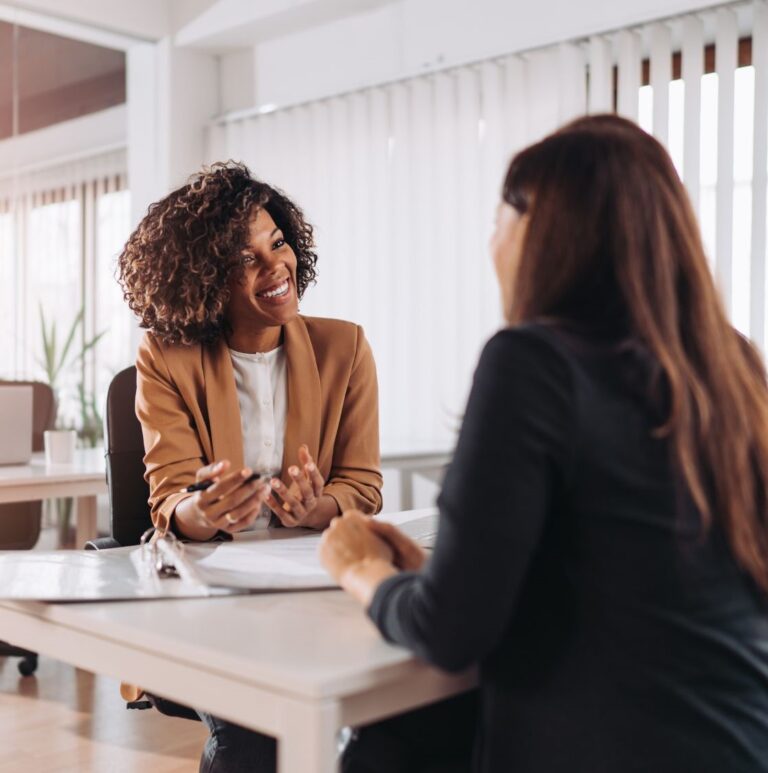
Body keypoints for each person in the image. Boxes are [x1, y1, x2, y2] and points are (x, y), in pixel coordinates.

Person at [320, 115, 768, 773]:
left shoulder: (533, 361)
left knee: (385, 747)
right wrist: (443, 576)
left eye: (498, 219)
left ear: (539, 229)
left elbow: (449, 633)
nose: (491, 242)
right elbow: (639, 577)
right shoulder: (731, 364)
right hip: (742, 740)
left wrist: (359, 567)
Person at [118, 161, 383, 773]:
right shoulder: (167, 356)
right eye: (246, 258)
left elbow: (362, 486)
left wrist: (320, 507)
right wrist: (205, 511)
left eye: (279, 243)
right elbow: (169, 503)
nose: (275, 269)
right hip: (210, 600)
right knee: (255, 734)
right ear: (204, 276)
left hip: (311, 593)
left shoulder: (344, 348)